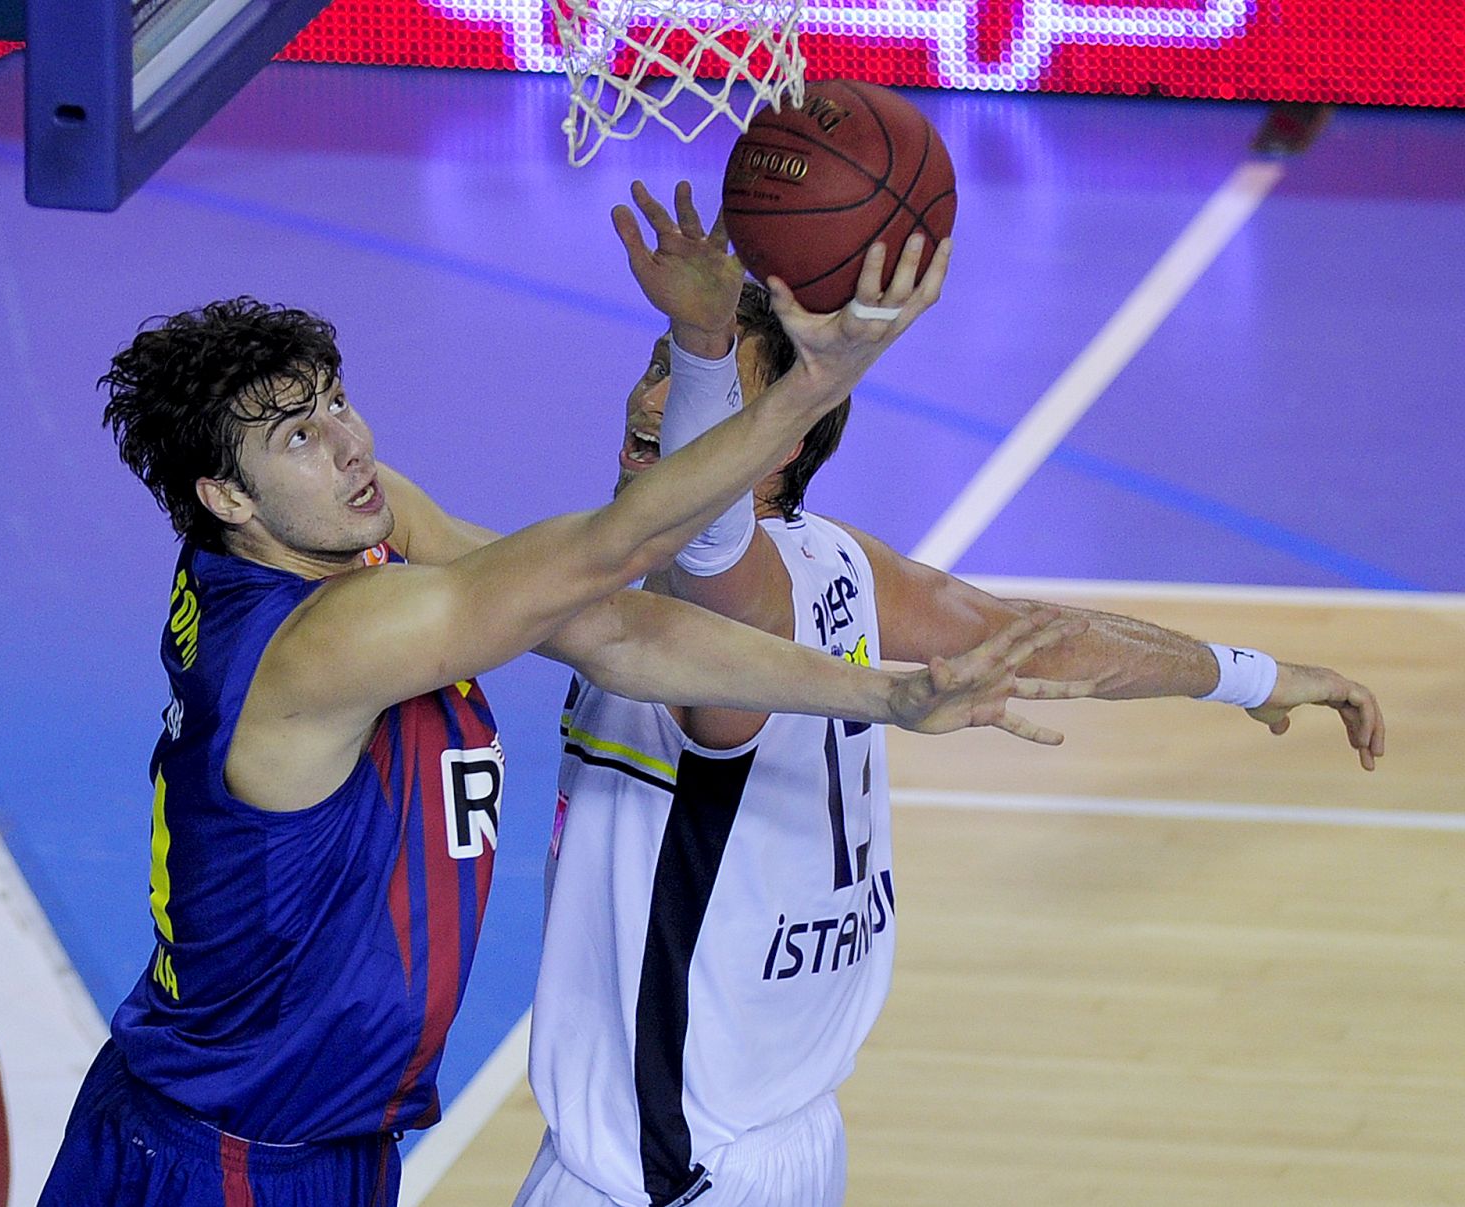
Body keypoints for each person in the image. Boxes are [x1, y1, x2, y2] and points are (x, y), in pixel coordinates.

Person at [38, 224, 1102, 1206]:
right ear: (225, 497)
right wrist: (799, 387)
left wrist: (888, 693)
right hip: (226, 1157)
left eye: (336, 404)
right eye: (297, 437)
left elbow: (620, 631)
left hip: (308, 1137)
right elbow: (614, 548)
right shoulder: (319, 641)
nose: (350, 445)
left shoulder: (333, 525)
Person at [511, 181, 1386, 1207]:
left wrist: (703, 333)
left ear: (779, 443)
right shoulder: (840, 563)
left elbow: (707, 535)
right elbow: (1047, 641)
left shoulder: (721, 596)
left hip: (660, 1163)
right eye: (658, 363)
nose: (655, 397)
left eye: (701, 390)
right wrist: (1255, 676)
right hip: (788, 1131)